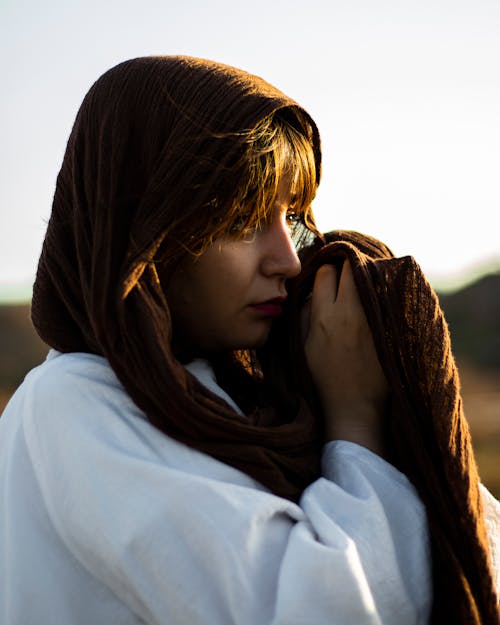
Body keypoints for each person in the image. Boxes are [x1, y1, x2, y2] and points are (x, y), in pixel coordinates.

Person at [0, 56, 497, 625]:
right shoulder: (72, 405)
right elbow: (323, 611)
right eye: (242, 221)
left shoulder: (234, 393)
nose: (288, 260)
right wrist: (355, 420)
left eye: (293, 216)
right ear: (145, 233)